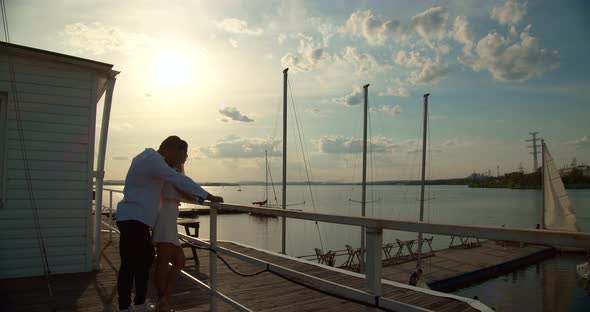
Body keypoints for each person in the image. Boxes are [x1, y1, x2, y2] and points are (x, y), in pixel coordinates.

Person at [115, 136, 223, 312]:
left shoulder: (146, 157)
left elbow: (176, 182)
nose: (184, 157)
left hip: (133, 218)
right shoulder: (154, 161)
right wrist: (209, 197)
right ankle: (128, 306)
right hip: (134, 218)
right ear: (172, 149)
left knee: (141, 261)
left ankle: (137, 304)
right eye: (184, 153)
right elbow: (180, 180)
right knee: (132, 264)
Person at [152, 161, 193, 312]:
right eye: (185, 152)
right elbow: (182, 192)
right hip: (165, 219)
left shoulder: (174, 172)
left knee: (179, 261)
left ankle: (164, 299)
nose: (187, 156)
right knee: (163, 263)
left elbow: (181, 191)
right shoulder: (170, 173)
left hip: (170, 220)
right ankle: (162, 302)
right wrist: (201, 198)